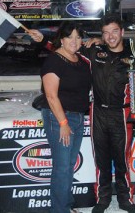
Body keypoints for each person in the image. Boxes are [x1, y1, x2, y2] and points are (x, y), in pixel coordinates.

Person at [28, 15, 135, 213]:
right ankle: (102, 200)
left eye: (114, 31)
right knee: (99, 160)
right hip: (95, 113)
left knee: (121, 160)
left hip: (120, 114)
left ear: (122, 32)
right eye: (106, 33)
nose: (111, 36)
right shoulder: (93, 52)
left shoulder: (134, 56)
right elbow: (63, 53)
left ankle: (126, 200)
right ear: (102, 35)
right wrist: (42, 40)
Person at [38, 21, 92, 213]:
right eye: (70, 37)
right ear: (62, 39)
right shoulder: (54, 60)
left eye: (78, 37)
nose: (74, 41)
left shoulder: (79, 59)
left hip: (76, 117)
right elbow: (51, 96)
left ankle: (65, 206)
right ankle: (59, 210)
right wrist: (63, 123)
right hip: (59, 118)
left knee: (68, 165)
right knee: (62, 167)